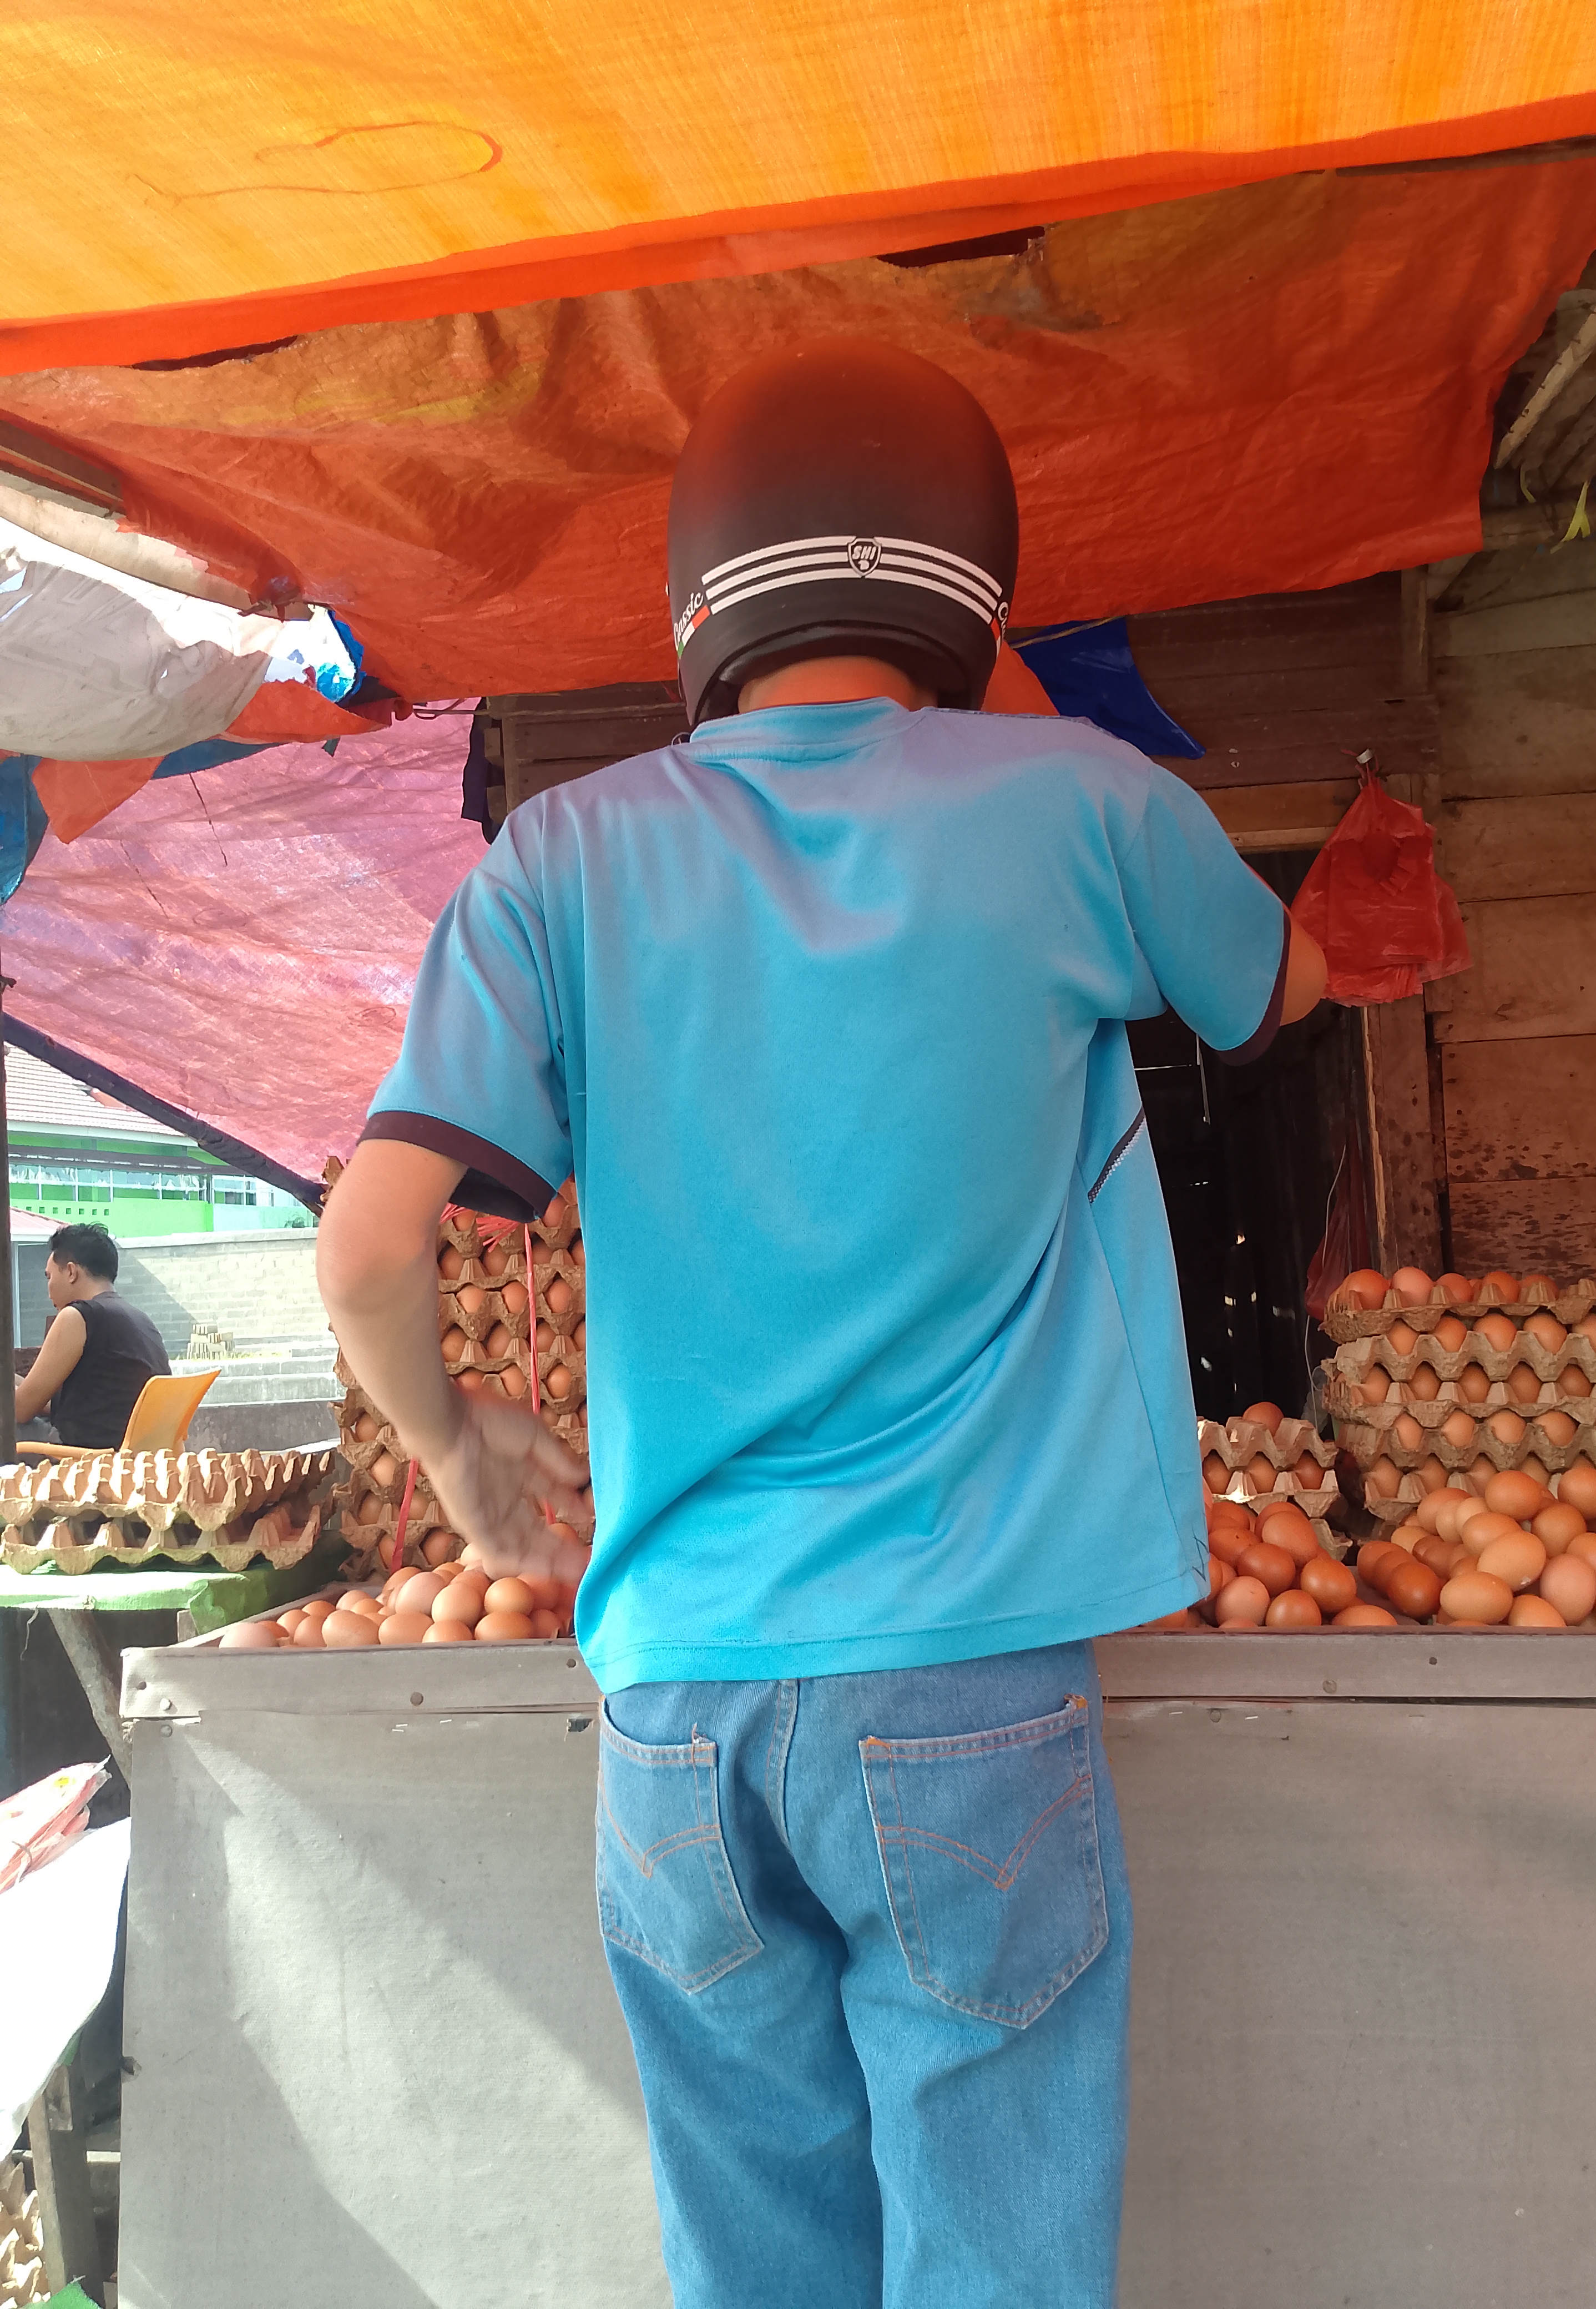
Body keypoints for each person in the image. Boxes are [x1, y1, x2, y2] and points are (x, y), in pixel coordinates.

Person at [317, 339, 1327, 2308]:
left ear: (697, 597)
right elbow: (1275, 989)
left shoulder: (560, 859)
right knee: (992, 2256)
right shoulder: (1080, 798)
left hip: (677, 1702)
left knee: (755, 2262)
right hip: (964, 1679)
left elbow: (365, 1247)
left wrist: (452, 1445)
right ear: (971, 586)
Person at [14, 1222, 171, 1448]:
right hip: (137, 1456)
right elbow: (52, 1401)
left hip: (85, 1456)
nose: (48, 1291)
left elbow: (20, 1410)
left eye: (49, 1277)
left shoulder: (78, 1316)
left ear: (71, 1272)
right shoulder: (141, 1320)